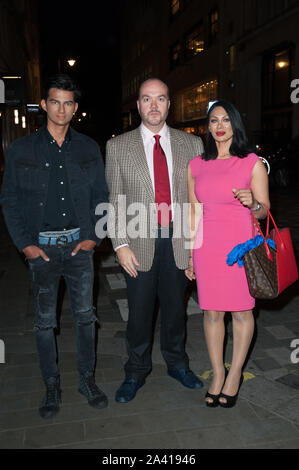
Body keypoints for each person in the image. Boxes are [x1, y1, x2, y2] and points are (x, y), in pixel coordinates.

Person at [0, 74, 109, 419]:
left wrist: (94, 237)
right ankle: (51, 385)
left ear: (75, 108)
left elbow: (102, 197)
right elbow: (9, 199)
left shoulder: (89, 147)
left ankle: (87, 380)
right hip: (42, 252)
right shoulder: (21, 149)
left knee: (85, 317)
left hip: (80, 248)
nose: (61, 109)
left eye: (68, 103)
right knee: (44, 323)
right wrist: (25, 246)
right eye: (54, 102)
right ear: (45, 105)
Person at [106, 78, 204, 403]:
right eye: (147, 99)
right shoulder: (118, 146)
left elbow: (197, 202)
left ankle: (177, 364)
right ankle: (135, 371)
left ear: (168, 104)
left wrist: (196, 250)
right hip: (139, 246)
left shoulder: (192, 145)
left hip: (179, 242)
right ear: (138, 105)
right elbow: (114, 199)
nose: (153, 106)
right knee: (139, 314)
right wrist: (119, 245)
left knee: (177, 311)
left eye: (160, 99)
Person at [186, 100, 270, 408]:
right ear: (207, 127)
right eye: (213, 121)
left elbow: (264, 213)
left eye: (225, 120)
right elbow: (193, 213)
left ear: (235, 124)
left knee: (241, 312)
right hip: (207, 248)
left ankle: (234, 373)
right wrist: (191, 254)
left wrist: (253, 203)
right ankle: (217, 373)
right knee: (211, 313)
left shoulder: (252, 163)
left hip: (240, 248)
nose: (219, 126)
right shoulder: (196, 165)